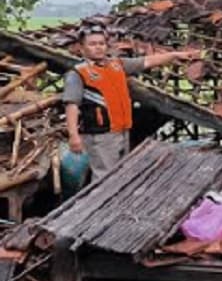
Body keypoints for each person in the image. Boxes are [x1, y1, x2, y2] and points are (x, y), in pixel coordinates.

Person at [63, 24, 201, 180]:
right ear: (82, 48)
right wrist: (73, 135)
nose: (98, 48)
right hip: (100, 134)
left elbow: (147, 61)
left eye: (101, 43)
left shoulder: (117, 65)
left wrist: (175, 55)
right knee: (104, 177)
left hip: (122, 130)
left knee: (119, 174)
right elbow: (71, 105)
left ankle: (116, 203)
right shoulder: (78, 73)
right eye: (92, 44)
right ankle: (105, 204)